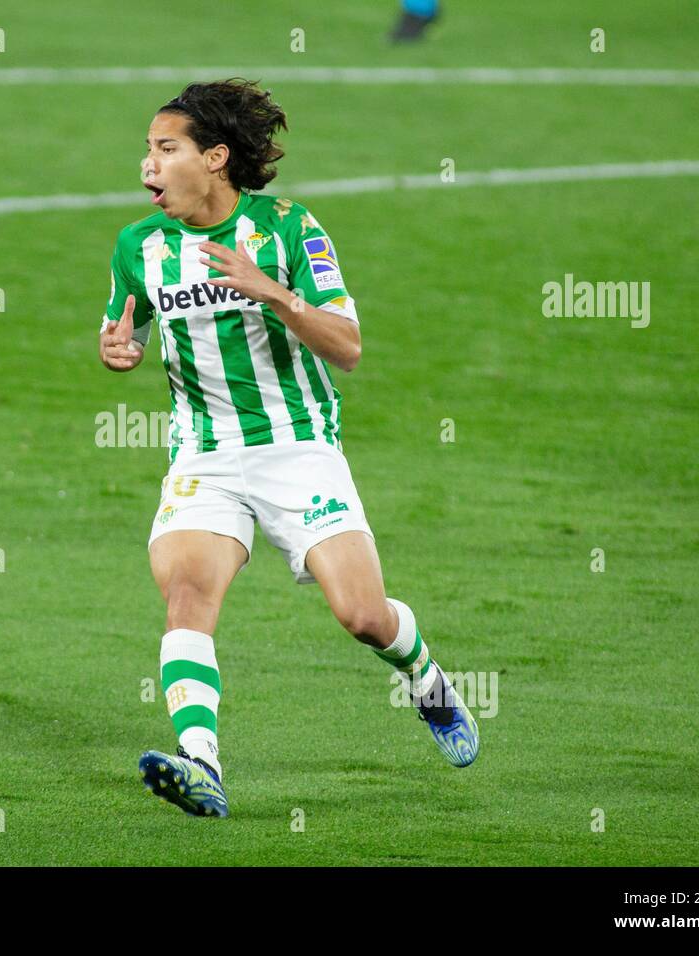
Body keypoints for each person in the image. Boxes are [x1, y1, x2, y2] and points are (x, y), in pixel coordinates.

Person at [98, 78, 478, 818]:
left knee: (363, 615)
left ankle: (427, 682)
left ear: (214, 157)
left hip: (297, 450)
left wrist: (271, 291)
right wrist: (117, 350)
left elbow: (349, 348)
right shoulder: (138, 245)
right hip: (203, 458)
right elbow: (125, 329)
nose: (146, 165)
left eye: (164, 149)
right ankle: (200, 763)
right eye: (146, 149)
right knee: (186, 597)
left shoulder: (289, 230)